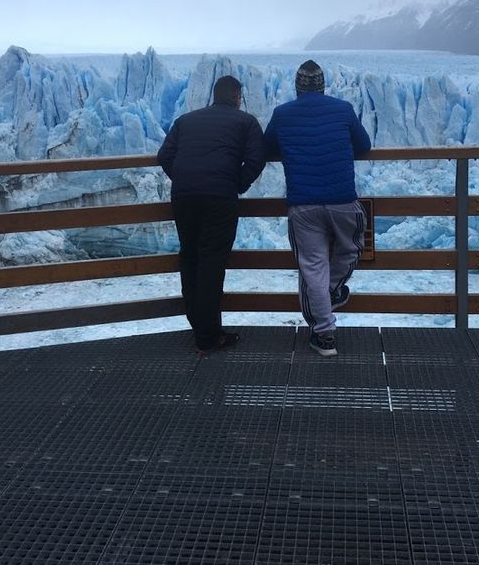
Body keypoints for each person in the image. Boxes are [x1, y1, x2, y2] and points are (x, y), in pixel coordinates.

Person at [263, 60, 372, 356]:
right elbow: (364, 145)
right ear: (323, 85)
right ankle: (331, 293)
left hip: (304, 205)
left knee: (313, 268)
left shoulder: (282, 114)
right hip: (343, 201)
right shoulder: (343, 109)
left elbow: (266, 147)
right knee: (351, 249)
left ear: (297, 87)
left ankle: (324, 335)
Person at [158, 75, 265, 353]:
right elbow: (257, 158)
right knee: (211, 263)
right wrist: (236, 183)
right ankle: (207, 336)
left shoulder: (185, 120)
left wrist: (183, 179)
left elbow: (164, 156)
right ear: (237, 97)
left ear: (213, 95)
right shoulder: (247, 122)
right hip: (219, 198)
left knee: (190, 257)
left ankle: (200, 326)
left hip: (183, 197)